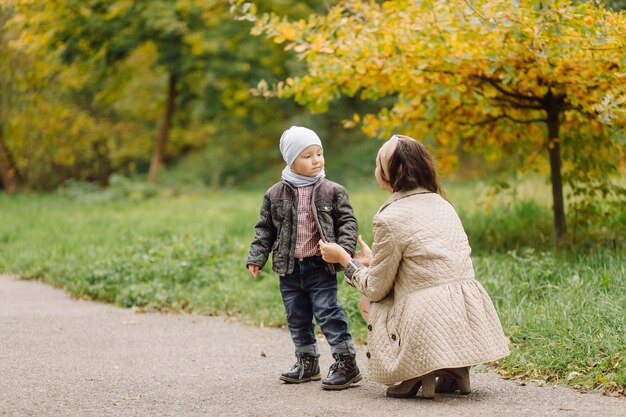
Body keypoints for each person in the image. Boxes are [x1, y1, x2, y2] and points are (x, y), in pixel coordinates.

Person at [319, 134, 509, 399]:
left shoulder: (390, 217)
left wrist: (345, 260)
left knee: (369, 301)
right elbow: (425, 263)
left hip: (424, 317)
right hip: (463, 311)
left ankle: (414, 371)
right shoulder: (443, 204)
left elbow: (376, 288)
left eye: (378, 165)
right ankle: (455, 368)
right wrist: (374, 260)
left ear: (390, 173)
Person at [246, 126, 362, 390]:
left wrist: (343, 251)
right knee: (296, 317)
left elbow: (348, 222)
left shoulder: (332, 191)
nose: (316, 160)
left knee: (328, 313)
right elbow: (265, 228)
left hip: (321, 266)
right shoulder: (274, 194)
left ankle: (347, 363)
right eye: (307, 155)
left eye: (319, 153)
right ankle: (307, 362)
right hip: (289, 268)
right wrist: (257, 256)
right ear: (291, 160)